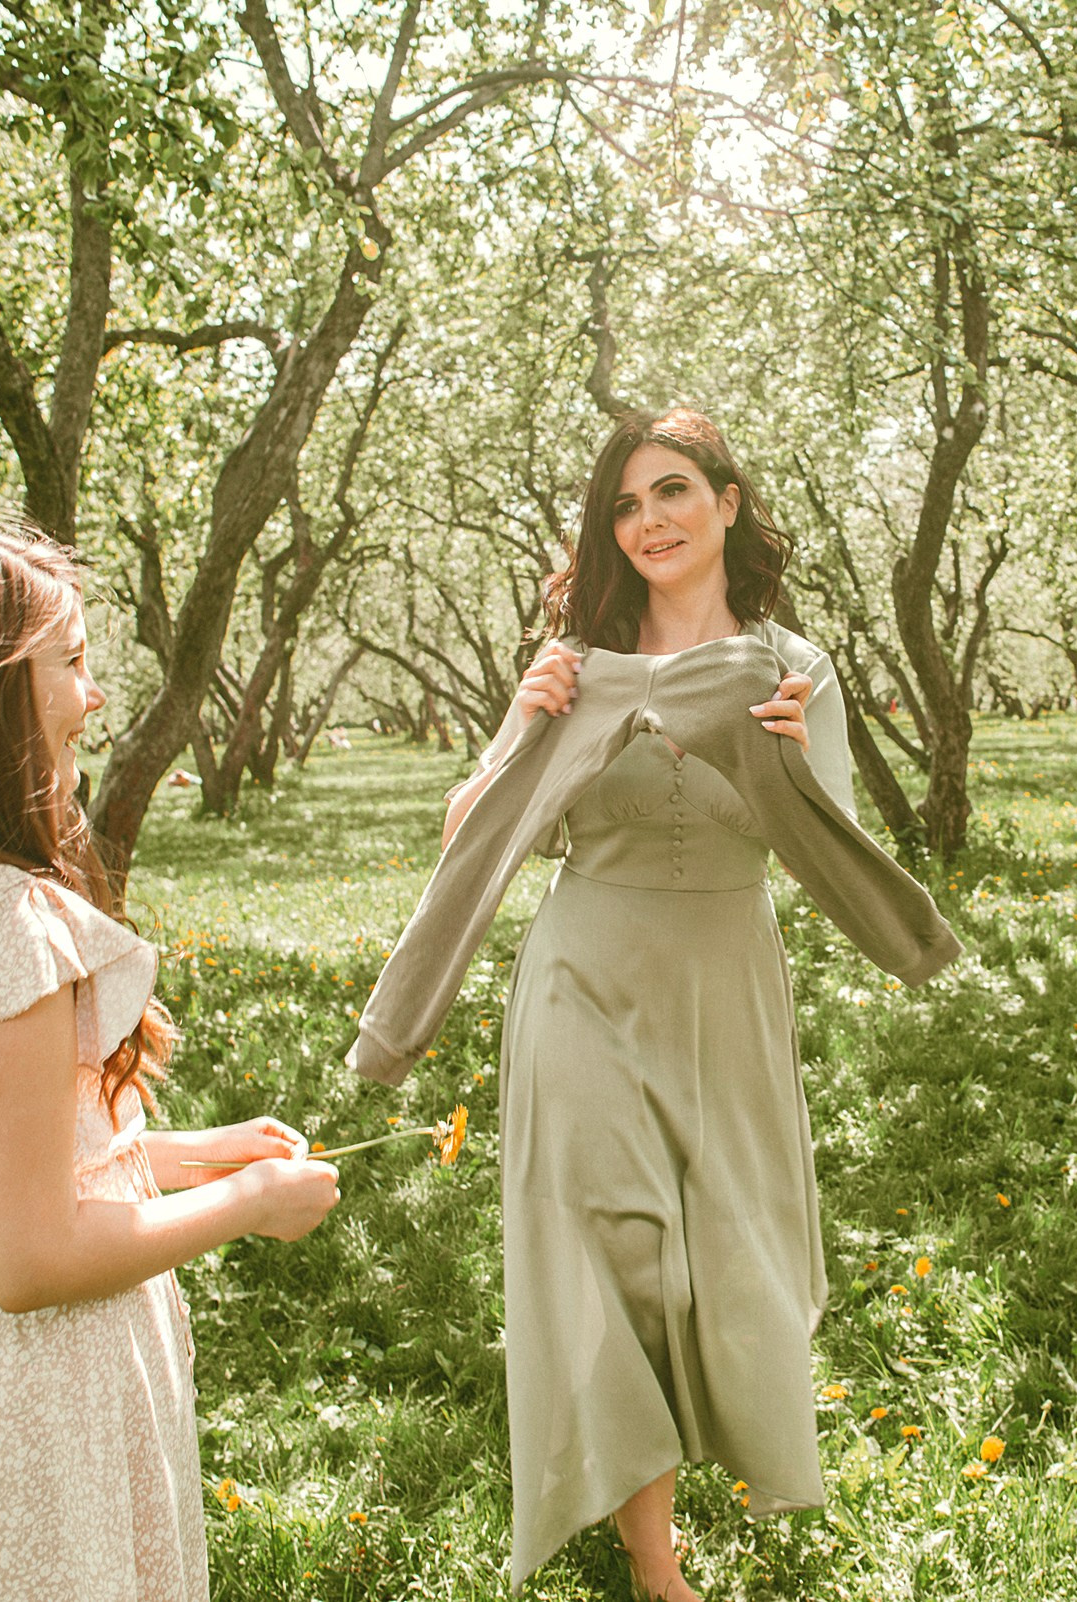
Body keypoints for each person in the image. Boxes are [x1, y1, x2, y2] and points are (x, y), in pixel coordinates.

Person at [0, 512, 343, 1601]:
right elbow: (31, 1254)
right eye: (72, 662)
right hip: (37, 1399)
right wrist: (254, 1202)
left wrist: (192, 1154)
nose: (94, 698)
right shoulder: (2, 927)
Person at [442, 409, 845, 1600]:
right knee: (613, 1250)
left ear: (727, 503)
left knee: (719, 1260)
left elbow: (837, 859)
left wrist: (782, 759)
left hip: (726, 985)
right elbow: (472, 843)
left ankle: (701, 1468)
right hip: (583, 973)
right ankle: (655, 1568)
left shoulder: (796, 667)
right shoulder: (575, 660)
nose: (649, 521)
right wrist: (524, 721)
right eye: (624, 505)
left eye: (671, 491)